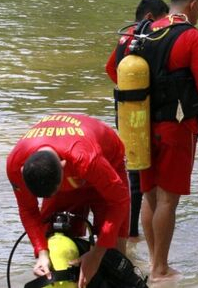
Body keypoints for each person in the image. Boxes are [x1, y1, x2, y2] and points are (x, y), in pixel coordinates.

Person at [139, 0, 198, 282]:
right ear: (193, 5)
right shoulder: (191, 36)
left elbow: (113, 68)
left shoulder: (143, 32)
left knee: (148, 195)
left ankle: (151, 261)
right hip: (175, 128)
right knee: (167, 200)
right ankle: (161, 268)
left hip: (140, 126)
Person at [7, 113, 130, 287]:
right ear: (22, 172)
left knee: (114, 257)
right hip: (66, 169)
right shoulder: (15, 164)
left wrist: (97, 254)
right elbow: (28, 210)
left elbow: (120, 200)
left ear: (63, 167)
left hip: (107, 163)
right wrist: (41, 252)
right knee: (54, 243)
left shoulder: (86, 159)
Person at [105, 0, 168, 242]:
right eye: (162, 21)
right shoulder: (147, 38)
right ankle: (133, 232)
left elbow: (111, 68)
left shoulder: (125, 37)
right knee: (141, 175)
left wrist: (128, 94)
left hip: (125, 111)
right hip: (143, 112)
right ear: (150, 18)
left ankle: (130, 231)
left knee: (131, 168)